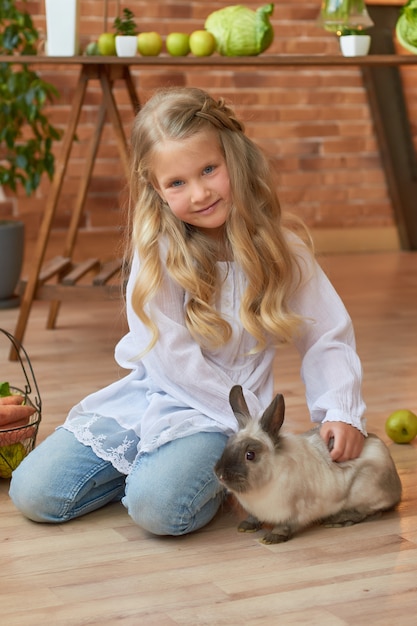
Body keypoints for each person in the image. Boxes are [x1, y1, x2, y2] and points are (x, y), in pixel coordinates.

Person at [9, 87, 366, 536]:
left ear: (233, 158)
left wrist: (339, 409)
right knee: (33, 493)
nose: (198, 193)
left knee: (158, 511)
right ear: (156, 189)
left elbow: (326, 332)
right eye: (177, 182)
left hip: (226, 417)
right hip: (158, 395)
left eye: (209, 170)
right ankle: (154, 465)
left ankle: (181, 476)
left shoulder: (281, 249)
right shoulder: (157, 251)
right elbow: (170, 357)